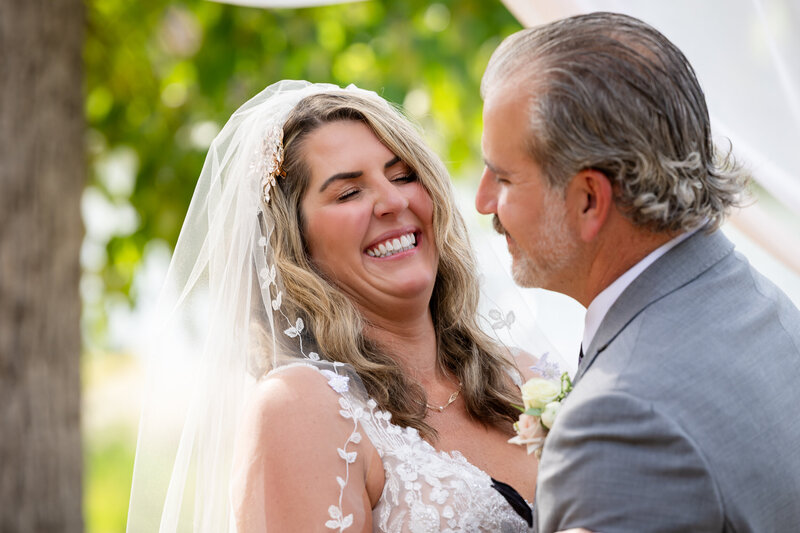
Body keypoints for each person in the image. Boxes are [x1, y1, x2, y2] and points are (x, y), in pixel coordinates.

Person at [126, 80, 554, 533]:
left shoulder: (528, 380)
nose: (393, 202)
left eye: (403, 176)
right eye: (349, 193)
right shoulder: (301, 409)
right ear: (296, 245)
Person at [476, 11, 800, 533]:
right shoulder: (755, 299)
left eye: (504, 177)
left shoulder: (623, 424)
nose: (482, 200)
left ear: (588, 199)